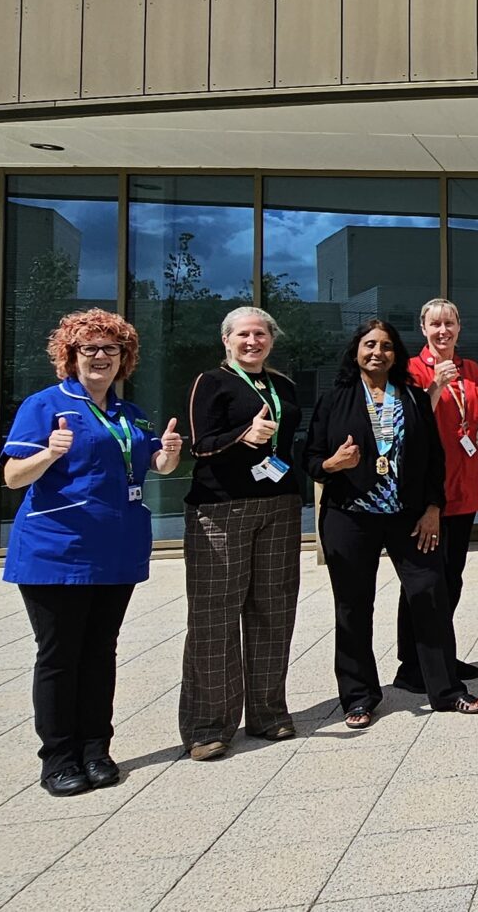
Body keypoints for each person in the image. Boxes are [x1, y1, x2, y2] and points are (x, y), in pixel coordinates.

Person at [0, 309, 183, 796]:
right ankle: (58, 758)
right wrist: (49, 452)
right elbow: (13, 477)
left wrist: (168, 452)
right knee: (60, 656)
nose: (101, 357)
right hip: (56, 553)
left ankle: (97, 749)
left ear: (124, 358)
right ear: (70, 356)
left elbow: (155, 468)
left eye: (111, 349)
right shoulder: (45, 406)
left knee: (101, 653)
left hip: (116, 552)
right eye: (90, 349)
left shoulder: (131, 415)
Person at [307, 320, 478, 724]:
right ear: (356, 351)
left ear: (396, 354)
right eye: (370, 344)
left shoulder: (415, 398)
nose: (377, 352)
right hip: (350, 518)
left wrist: (433, 508)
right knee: (353, 607)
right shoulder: (335, 400)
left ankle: (445, 689)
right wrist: (334, 464)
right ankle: (358, 696)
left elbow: (434, 460)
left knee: (430, 595)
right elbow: (311, 458)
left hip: (409, 516)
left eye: (386, 346)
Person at [178, 306, 305, 762]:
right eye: (244, 335)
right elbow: (201, 444)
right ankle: (208, 725)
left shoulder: (284, 384)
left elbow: (289, 445)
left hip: (280, 505)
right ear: (227, 341)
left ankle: (269, 713)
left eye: (261, 335)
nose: (253, 342)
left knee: (274, 608)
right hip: (221, 507)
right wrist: (244, 436)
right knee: (215, 618)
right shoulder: (210, 382)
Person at [395, 299, 478, 692]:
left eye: (449, 323)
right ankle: (410, 664)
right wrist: (435, 385)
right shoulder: (411, 370)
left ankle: (440, 654)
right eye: (435, 324)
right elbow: (410, 422)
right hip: (426, 493)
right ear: (423, 328)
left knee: (451, 579)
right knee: (422, 583)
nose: (443, 331)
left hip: (462, 488)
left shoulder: (470, 370)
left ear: (459, 327)